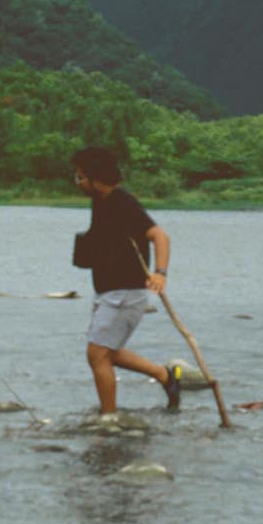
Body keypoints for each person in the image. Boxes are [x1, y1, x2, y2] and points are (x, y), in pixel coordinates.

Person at [71, 144, 183, 414]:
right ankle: (166, 376)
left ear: (96, 178)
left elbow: (160, 236)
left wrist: (160, 273)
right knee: (108, 353)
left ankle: (109, 418)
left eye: (80, 177)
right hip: (108, 291)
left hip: (125, 293)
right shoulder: (100, 201)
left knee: (97, 355)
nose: (77, 182)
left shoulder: (124, 203)